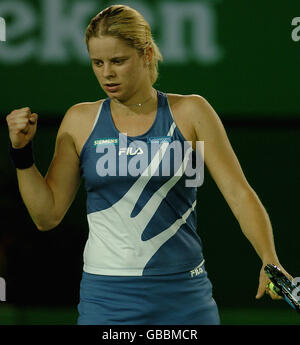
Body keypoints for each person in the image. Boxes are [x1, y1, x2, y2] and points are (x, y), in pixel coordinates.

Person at [6, 4, 292, 325]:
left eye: (118, 61)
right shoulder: (79, 121)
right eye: (97, 63)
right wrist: (22, 153)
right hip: (107, 298)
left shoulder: (192, 112)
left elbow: (239, 194)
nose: (107, 73)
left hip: (184, 295)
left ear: (146, 54)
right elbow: (47, 216)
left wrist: (270, 258)